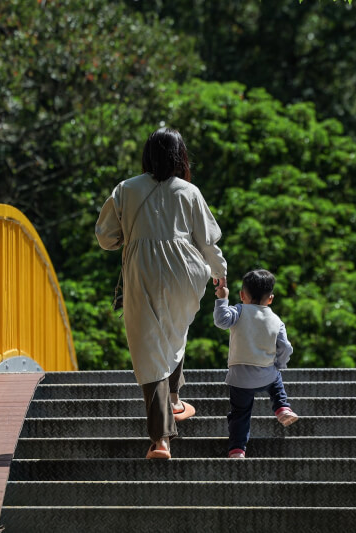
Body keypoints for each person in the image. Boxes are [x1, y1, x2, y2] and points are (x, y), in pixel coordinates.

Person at [95, 127, 227, 460]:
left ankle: (160, 440)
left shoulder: (126, 189)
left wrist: (133, 237)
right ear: (181, 157)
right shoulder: (189, 191)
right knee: (174, 328)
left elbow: (106, 238)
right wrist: (220, 273)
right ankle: (175, 400)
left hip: (142, 270)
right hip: (185, 269)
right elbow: (207, 241)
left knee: (148, 348)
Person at [213, 269, 297, 459]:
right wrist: (279, 364)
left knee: (240, 414)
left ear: (242, 295)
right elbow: (285, 347)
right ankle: (282, 407)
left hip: (240, 378)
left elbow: (221, 321)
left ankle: (237, 450)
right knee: (276, 379)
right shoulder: (276, 320)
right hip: (266, 374)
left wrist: (222, 299)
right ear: (271, 299)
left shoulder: (238, 311)